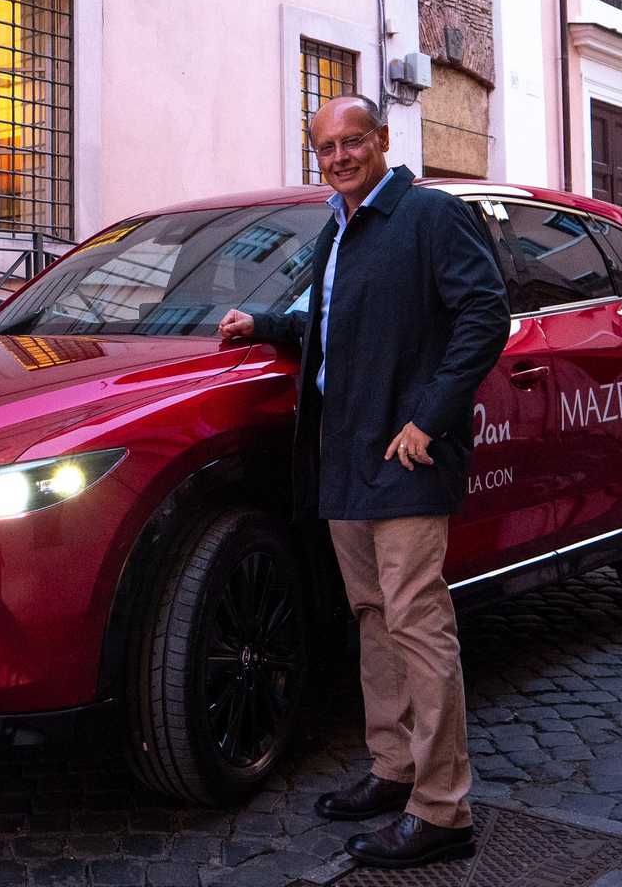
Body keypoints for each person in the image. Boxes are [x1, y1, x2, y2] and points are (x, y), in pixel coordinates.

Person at [217, 94, 508, 870]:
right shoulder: (336, 229)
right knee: (373, 617)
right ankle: (394, 768)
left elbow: (486, 315)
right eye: (326, 147)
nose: (341, 156)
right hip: (344, 455)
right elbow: (331, 319)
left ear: (382, 139)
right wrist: (266, 326)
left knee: (416, 620)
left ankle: (444, 808)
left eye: (353, 141)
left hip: (408, 455)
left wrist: (431, 418)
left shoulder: (428, 216)